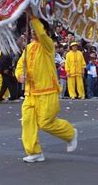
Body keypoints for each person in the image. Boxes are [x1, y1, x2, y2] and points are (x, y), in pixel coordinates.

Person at [15, 14, 77, 163]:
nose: (34, 32)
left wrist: (33, 18)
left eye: (36, 30)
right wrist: (20, 75)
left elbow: (42, 34)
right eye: (32, 30)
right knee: (28, 122)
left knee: (46, 123)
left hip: (47, 91)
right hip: (30, 93)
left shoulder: (48, 45)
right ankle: (34, 151)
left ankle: (70, 133)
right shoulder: (28, 48)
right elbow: (20, 65)